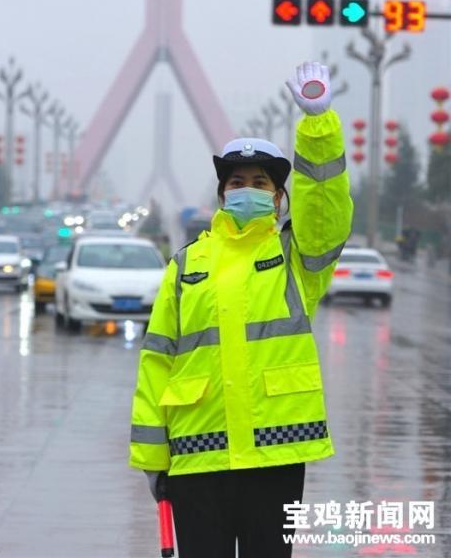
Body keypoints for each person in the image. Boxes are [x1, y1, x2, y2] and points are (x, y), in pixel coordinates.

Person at [129, 62, 353, 557]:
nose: (246, 189)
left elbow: (325, 208)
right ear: (222, 193)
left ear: (278, 197)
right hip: (196, 458)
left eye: (259, 182)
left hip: (276, 456)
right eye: (236, 181)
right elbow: (157, 361)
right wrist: (152, 456)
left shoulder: (297, 259)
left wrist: (318, 126)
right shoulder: (185, 265)